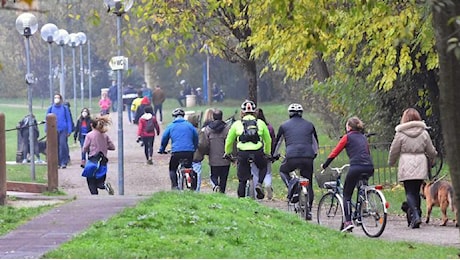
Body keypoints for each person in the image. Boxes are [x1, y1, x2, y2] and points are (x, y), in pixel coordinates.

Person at [320, 116, 374, 232]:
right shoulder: (363, 138)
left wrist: (325, 165)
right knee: (362, 188)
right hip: (369, 166)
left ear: (348, 127)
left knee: (347, 195)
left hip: (356, 167)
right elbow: (367, 152)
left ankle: (348, 222)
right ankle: (360, 214)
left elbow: (335, 152)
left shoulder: (347, 137)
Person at [388, 108, 437, 229]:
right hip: (420, 163)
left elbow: (394, 150)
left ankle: (415, 215)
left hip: (406, 163)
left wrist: (391, 162)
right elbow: (431, 150)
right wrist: (432, 159)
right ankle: (417, 214)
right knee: (416, 191)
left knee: (409, 192)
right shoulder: (424, 133)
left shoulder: (400, 134)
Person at [272, 103, 318, 213]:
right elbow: (315, 144)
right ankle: (309, 210)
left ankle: (293, 187)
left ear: (290, 113)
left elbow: (278, 143)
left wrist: (274, 155)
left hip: (292, 157)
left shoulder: (284, 126)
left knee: (283, 170)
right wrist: (313, 154)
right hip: (308, 157)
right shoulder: (310, 125)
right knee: (309, 182)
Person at [224, 100, 272, 199]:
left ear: (242, 112)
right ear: (255, 112)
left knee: (242, 179)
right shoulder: (260, 123)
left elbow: (229, 141)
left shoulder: (237, 124)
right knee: (263, 167)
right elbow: (268, 140)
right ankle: (259, 183)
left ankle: (241, 200)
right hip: (257, 152)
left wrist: (228, 153)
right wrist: (267, 153)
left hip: (243, 153)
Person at [158, 108, 198, 189]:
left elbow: (164, 138)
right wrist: (194, 147)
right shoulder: (190, 126)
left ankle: (175, 186)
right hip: (189, 151)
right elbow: (196, 138)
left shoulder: (171, 126)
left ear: (174, 117)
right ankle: (191, 182)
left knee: (172, 169)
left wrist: (162, 149)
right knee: (189, 166)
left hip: (176, 151)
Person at [81, 116, 115, 195]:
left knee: (91, 181)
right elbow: (112, 147)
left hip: (93, 161)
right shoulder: (105, 136)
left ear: (91, 125)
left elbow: (85, 148)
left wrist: (84, 155)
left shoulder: (89, 135)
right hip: (103, 161)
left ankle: (95, 197)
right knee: (100, 182)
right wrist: (104, 146)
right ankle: (104, 186)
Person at [201, 109, 231, 193]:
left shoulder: (208, 129)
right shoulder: (227, 129)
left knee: (213, 175)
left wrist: (206, 153)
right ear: (221, 117)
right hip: (225, 158)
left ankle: (215, 185)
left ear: (213, 117)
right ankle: (222, 192)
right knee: (224, 177)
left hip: (213, 158)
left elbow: (206, 144)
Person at [251, 108, 276, 200]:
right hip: (267, 153)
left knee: (256, 173)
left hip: (254, 152)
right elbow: (273, 141)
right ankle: (268, 185)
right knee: (267, 172)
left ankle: (257, 193)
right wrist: (271, 153)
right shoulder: (269, 127)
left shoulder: (251, 127)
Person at [46, 94, 74, 169]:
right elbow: (47, 120)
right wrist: (47, 130)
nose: (56, 99)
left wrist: (69, 130)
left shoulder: (65, 108)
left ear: (61, 99)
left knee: (63, 145)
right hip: (53, 130)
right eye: (55, 97)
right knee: (55, 146)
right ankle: (57, 162)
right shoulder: (50, 108)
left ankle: (63, 162)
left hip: (63, 129)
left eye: (58, 98)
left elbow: (68, 119)